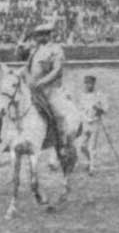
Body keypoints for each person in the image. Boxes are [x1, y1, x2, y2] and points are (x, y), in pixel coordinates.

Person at [23, 21, 79, 159]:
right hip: (32, 89)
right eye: (36, 35)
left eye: (40, 35)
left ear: (47, 35)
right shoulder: (34, 50)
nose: (37, 38)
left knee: (59, 114)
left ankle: (63, 144)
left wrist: (42, 81)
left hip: (50, 90)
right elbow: (24, 63)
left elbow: (57, 70)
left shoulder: (56, 49)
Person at [78, 75, 108, 174]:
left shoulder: (99, 95)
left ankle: (92, 167)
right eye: (86, 83)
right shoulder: (82, 95)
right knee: (82, 146)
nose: (88, 85)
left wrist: (100, 110)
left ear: (94, 84)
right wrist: (83, 118)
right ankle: (88, 160)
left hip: (95, 122)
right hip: (85, 123)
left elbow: (106, 108)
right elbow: (80, 109)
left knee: (92, 146)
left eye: (90, 83)